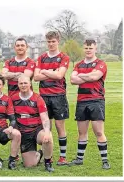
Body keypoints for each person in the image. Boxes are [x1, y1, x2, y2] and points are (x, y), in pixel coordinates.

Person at [69, 39, 109, 170]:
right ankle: (79, 159)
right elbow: (72, 80)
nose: (88, 50)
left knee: (98, 132)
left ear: (95, 48)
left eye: (90, 48)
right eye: (86, 48)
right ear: (83, 48)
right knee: (82, 132)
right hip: (82, 101)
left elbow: (94, 77)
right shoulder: (79, 64)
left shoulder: (101, 64)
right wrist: (88, 75)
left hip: (96, 100)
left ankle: (105, 160)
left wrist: (82, 76)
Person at [34, 31, 71, 164]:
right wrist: (51, 72)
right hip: (44, 96)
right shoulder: (41, 58)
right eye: (48, 42)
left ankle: (63, 157)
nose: (51, 44)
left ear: (58, 41)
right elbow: (36, 77)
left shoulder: (63, 57)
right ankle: (46, 154)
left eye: (53, 41)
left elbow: (59, 75)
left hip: (58, 96)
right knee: (45, 127)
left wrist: (44, 71)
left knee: (59, 126)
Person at [13, 74, 55, 172]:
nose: (23, 85)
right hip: (23, 132)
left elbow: (45, 118)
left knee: (48, 138)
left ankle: (48, 162)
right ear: (18, 85)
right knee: (29, 165)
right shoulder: (13, 99)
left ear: (30, 84)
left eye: (25, 83)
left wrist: (47, 132)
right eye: (21, 83)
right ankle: (40, 153)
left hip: (36, 129)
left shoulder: (37, 98)